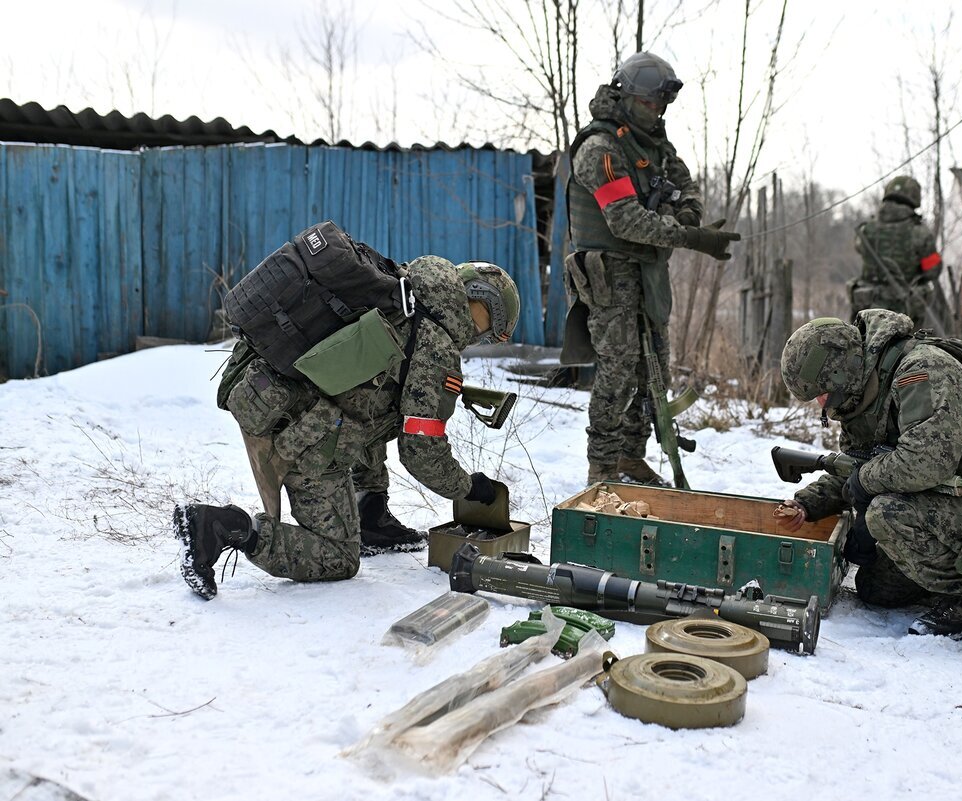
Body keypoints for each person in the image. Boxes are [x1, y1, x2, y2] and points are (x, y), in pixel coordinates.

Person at [174, 256, 520, 600]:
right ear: (478, 299)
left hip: (271, 393)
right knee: (339, 557)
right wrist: (470, 489)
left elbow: (373, 394)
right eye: (486, 325)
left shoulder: (403, 287)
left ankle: (370, 512)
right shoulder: (437, 347)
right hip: (303, 436)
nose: (479, 336)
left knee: (379, 408)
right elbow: (421, 452)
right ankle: (223, 528)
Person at [776, 309, 962, 636]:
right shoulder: (863, 389)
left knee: (887, 513)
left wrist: (864, 482)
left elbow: (924, 462)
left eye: (821, 391)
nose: (822, 402)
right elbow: (855, 465)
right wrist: (807, 504)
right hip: (961, 495)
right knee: (876, 589)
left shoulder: (921, 370)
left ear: (840, 370)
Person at [563, 51, 740, 486]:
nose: (657, 111)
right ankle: (602, 468)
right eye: (649, 103)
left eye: (661, 105)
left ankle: (630, 457)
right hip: (610, 277)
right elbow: (624, 219)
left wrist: (690, 213)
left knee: (653, 371)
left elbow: (685, 183)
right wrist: (691, 238)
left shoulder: (654, 142)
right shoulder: (600, 149)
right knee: (618, 374)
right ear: (626, 98)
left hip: (648, 274)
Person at [848, 175, 942, 329]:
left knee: (862, 346)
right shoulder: (920, 233)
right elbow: (932, 271)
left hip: (866, 306)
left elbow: (859, 248)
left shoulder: (867, 229)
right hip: (903, 310)